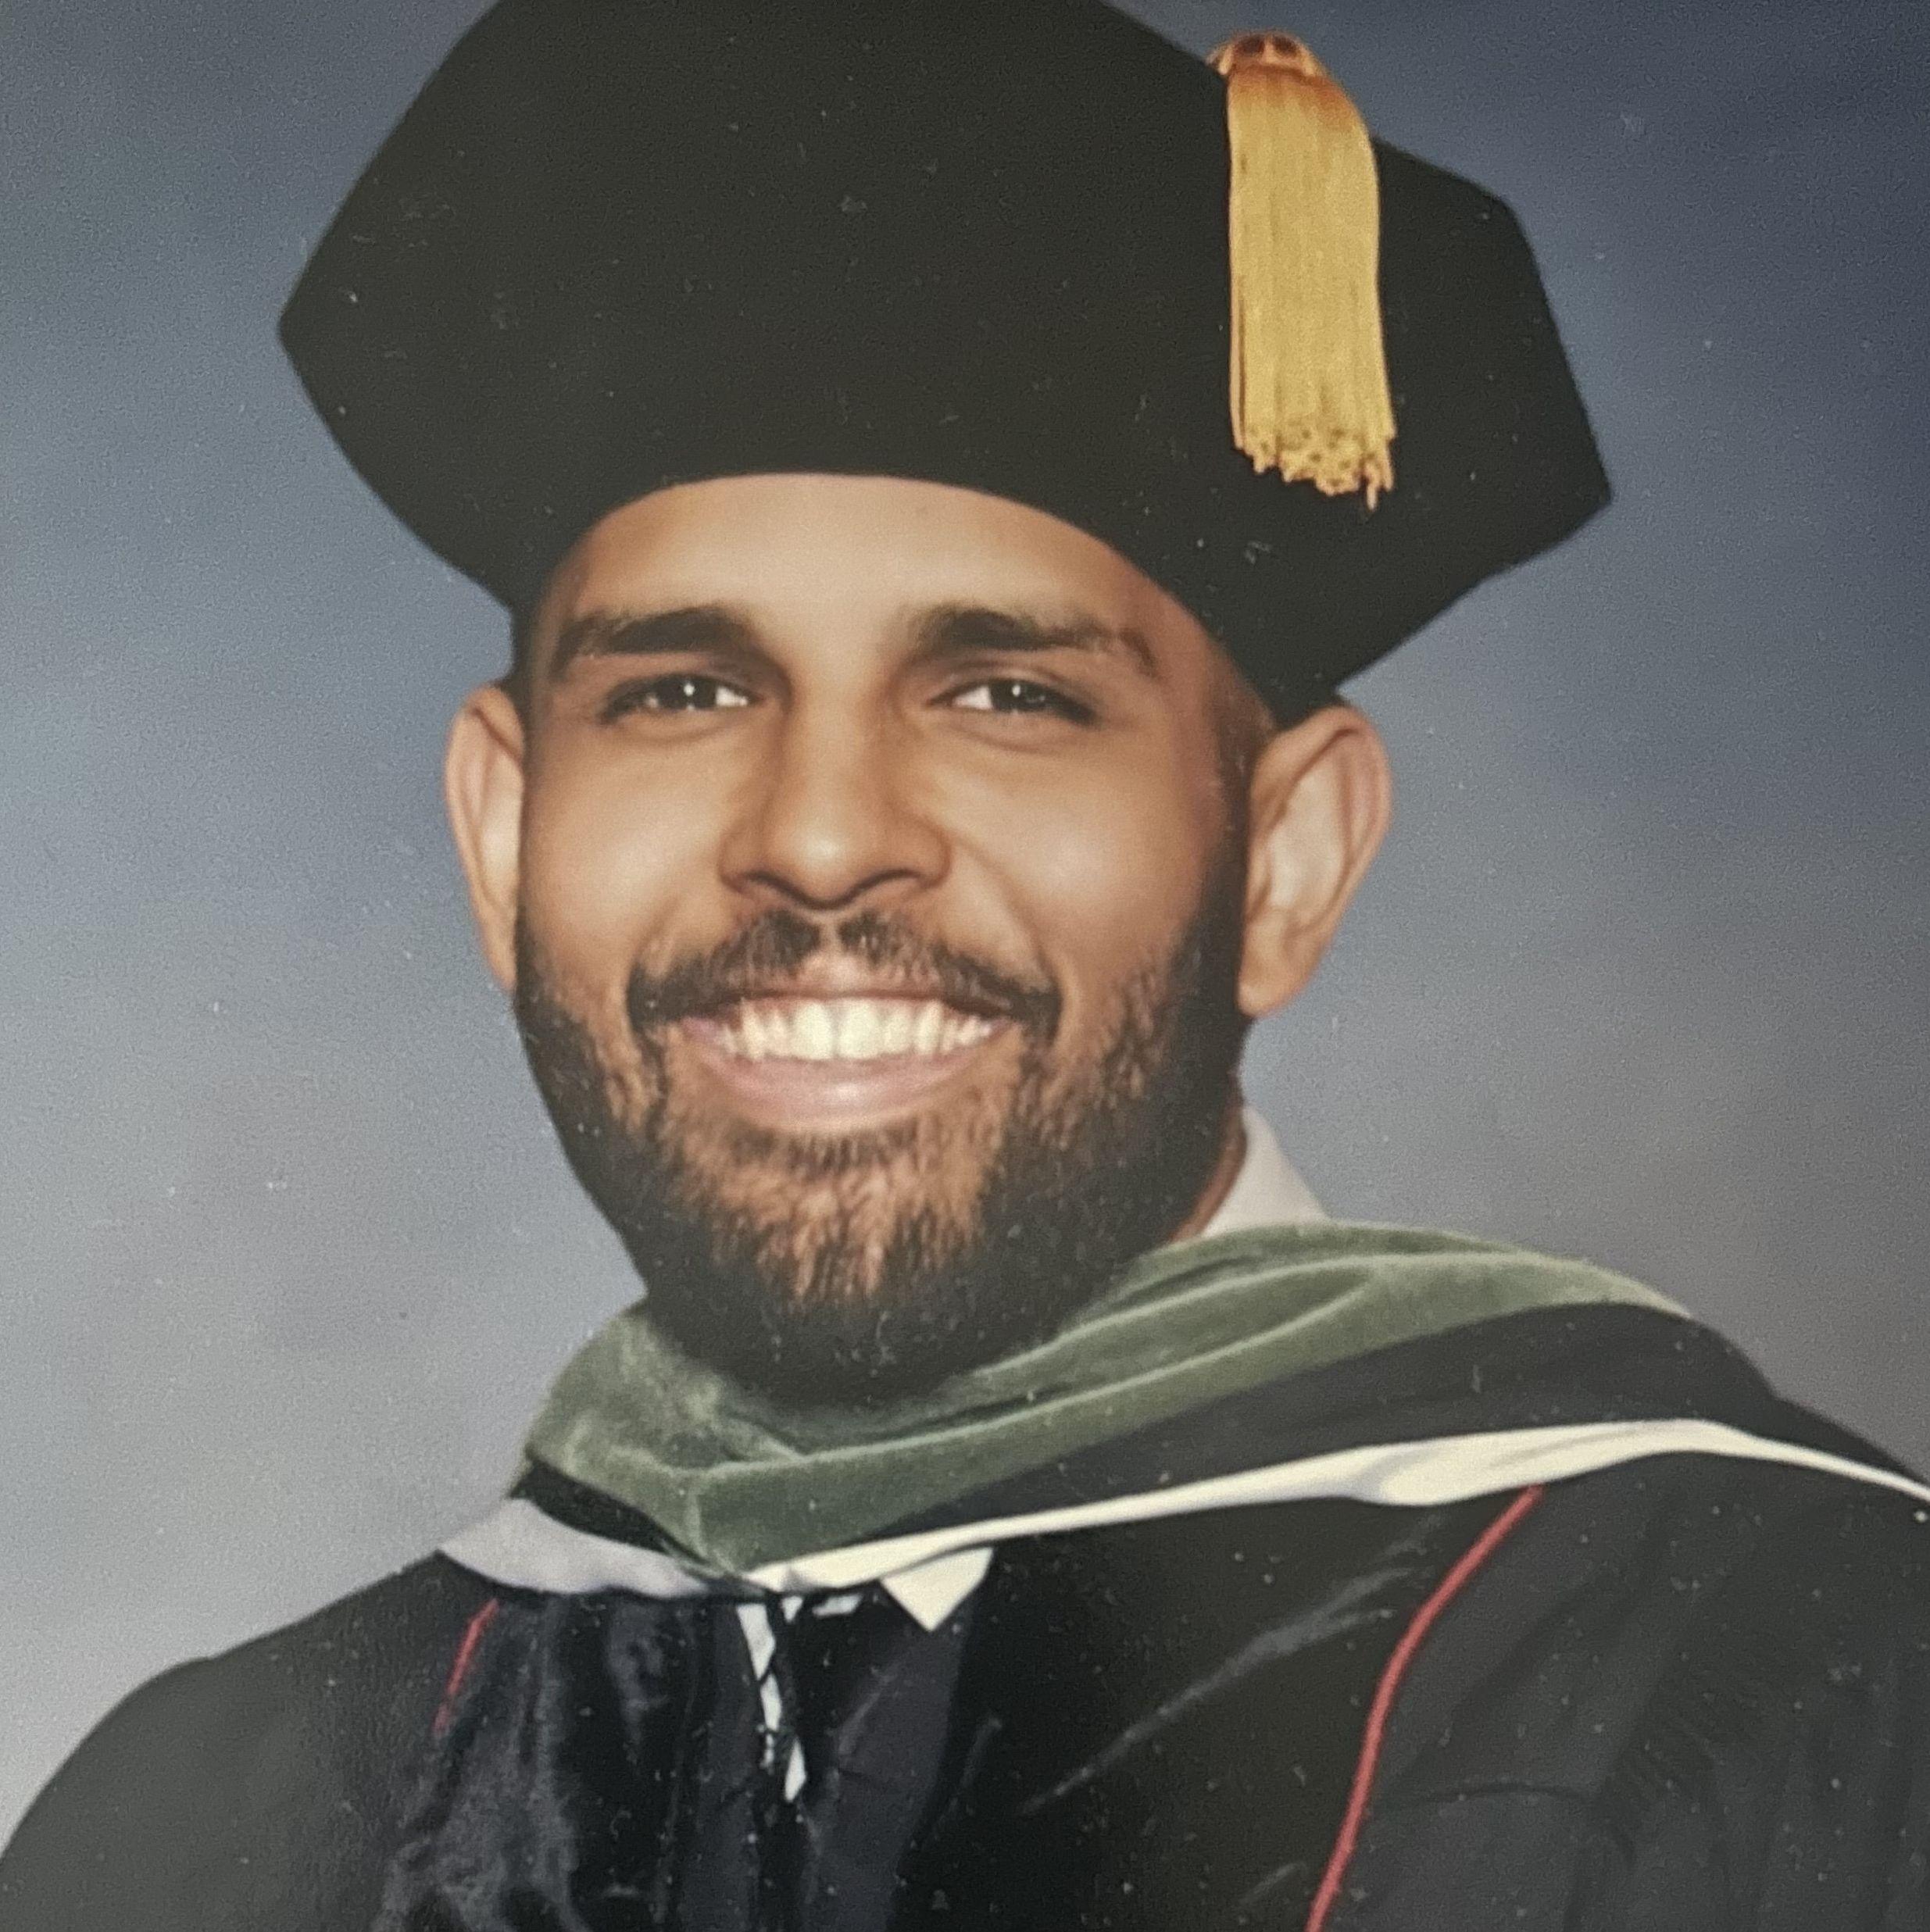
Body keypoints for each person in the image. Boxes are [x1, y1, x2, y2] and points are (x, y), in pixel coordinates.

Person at [5, 1, 1927, 1927]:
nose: (820, 833)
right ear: (504, 837)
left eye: (1006, 692)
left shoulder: (1788, 1684)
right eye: (683, 689)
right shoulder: (204, 1819)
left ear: (1283, 856)